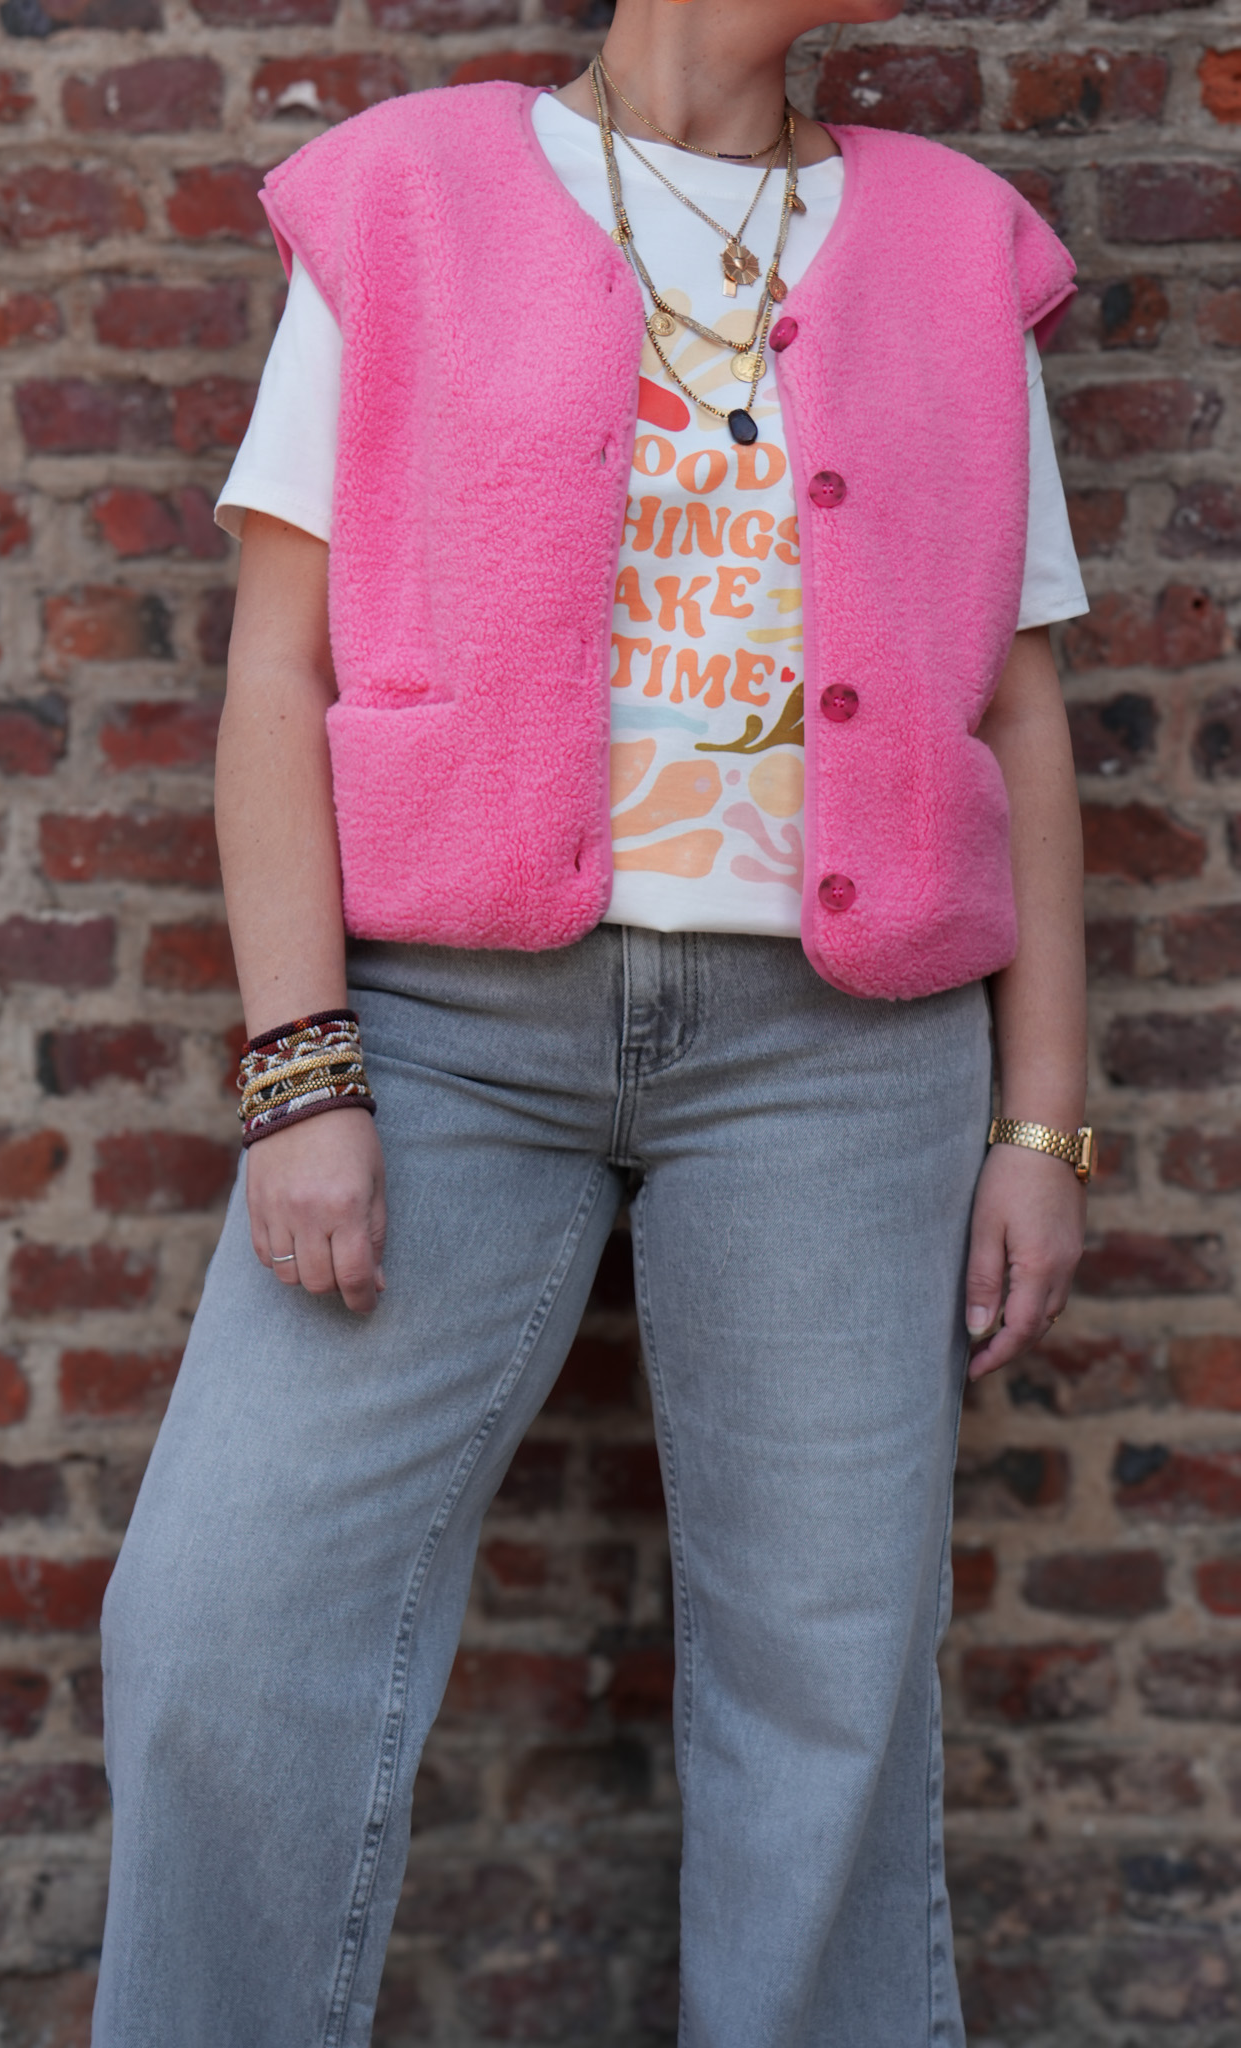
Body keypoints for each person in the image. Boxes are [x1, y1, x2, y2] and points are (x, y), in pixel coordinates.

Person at [91, 0, 1093, 2035]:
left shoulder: (950, 242)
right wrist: (301, 1069)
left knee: (828, 1692)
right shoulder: (409, 198)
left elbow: (1015, 707)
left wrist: (1039, 1121)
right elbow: (276, 672)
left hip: (839, 1058)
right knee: (217, 1623)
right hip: (442, 1031)